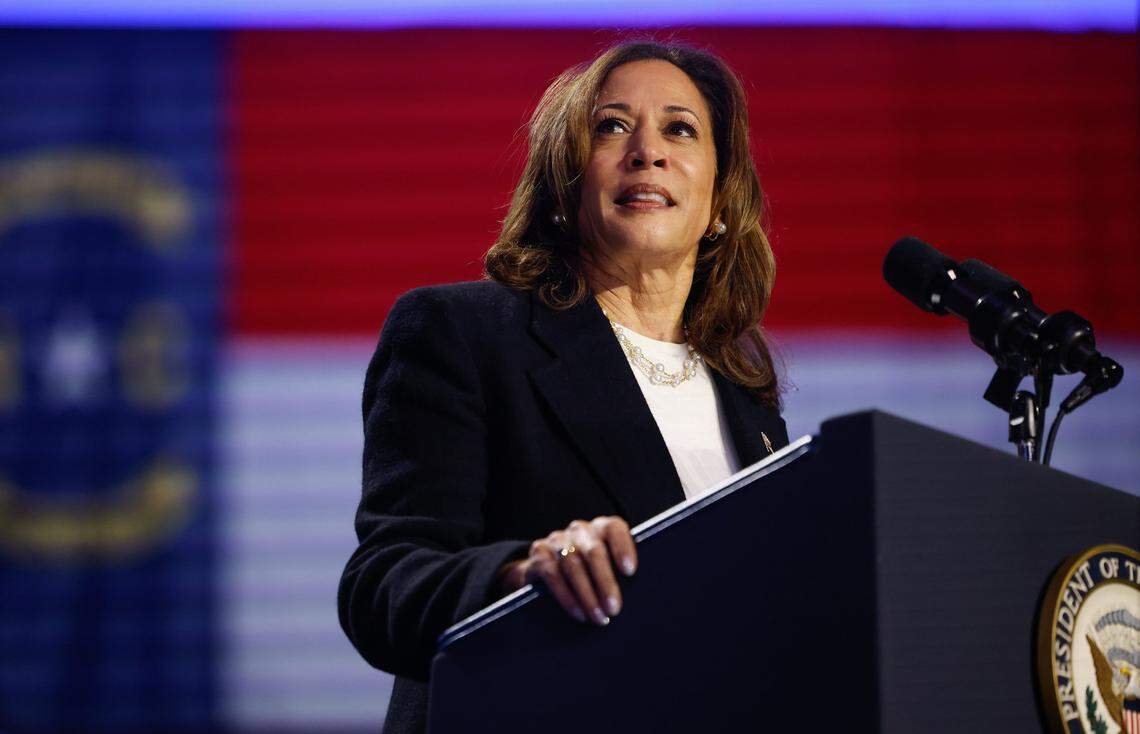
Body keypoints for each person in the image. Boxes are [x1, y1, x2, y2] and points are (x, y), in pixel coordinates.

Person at [337, 39, 789, 734]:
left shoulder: (745, 394)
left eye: (680, 128)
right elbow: (383, 585)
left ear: (720, 200)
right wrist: (521, 576)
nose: (648, 151)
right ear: (564, 184)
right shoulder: (463, 333)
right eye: (611, 126)